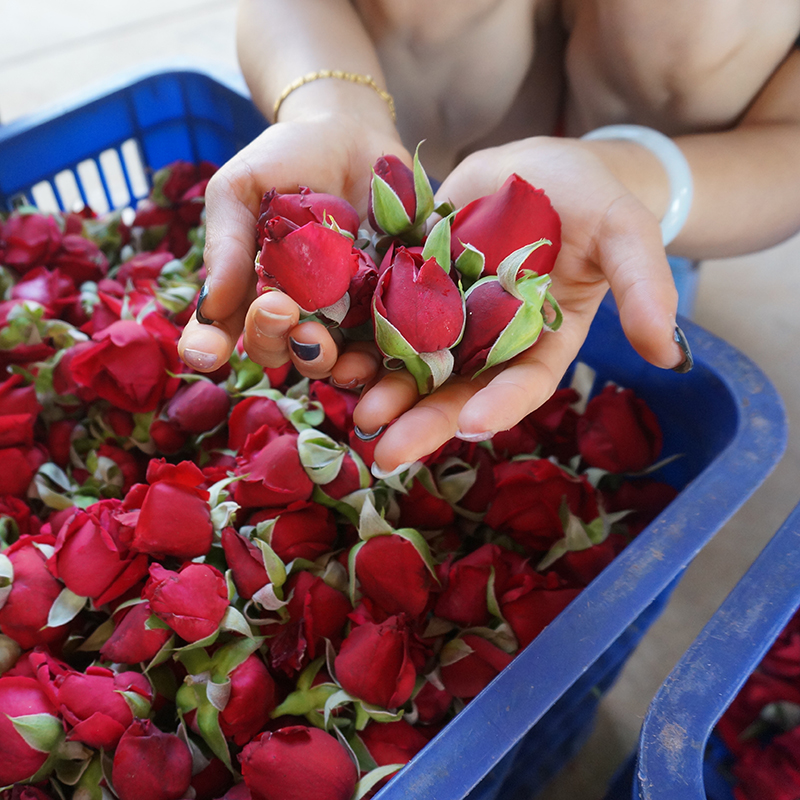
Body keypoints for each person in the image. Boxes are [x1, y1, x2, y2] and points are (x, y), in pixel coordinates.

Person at [178, 0, 800, 475]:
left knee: (694, 24)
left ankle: (625, 234)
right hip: (431, 135)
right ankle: (439, 175)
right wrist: (331, 111)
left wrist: (630, 181)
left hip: (665, 155)